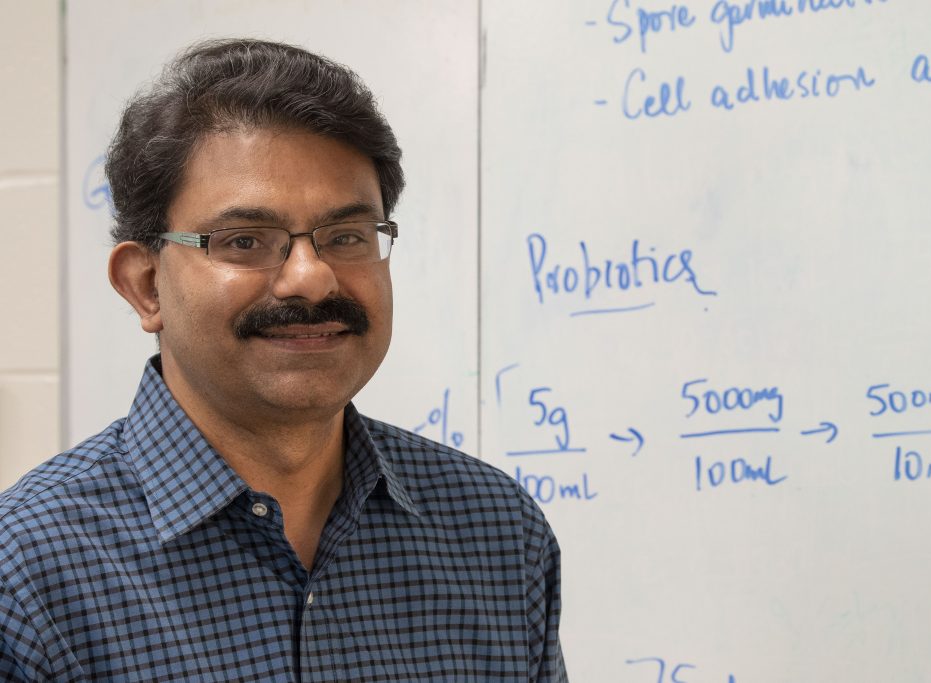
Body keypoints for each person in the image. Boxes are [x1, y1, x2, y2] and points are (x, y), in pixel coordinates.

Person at [0, 38, 567, 681]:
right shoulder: (26, 574)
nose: (311, 278)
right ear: (146, 285)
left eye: (347, 237)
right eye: (245, 241)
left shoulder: (497, 533)